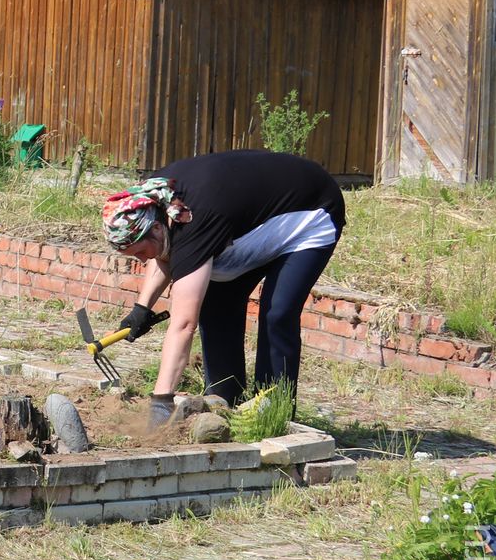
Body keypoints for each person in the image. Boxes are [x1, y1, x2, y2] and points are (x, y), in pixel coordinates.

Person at [101, 149, 345, 422]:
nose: (141, 260)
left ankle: (274, 408)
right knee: (216, 304)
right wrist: (141, 308)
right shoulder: (155, 201)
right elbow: (165, 252)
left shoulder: (193, 219)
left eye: (139, 252)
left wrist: (161, 400)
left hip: (311, 214)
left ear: (156, 229)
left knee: (277, 312)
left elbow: (183, 324)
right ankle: (224, 400)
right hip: (253, 220)